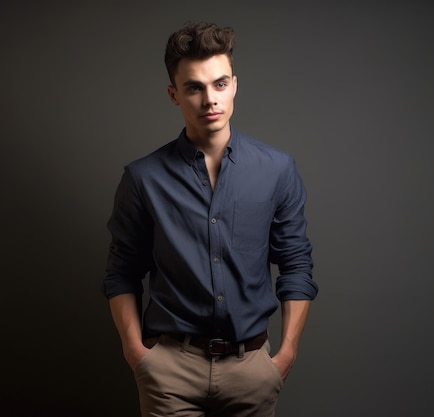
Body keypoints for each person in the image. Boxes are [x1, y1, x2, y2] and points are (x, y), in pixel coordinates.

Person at [103, 21, 318, 416]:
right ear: (174, 94)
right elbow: (122, 272)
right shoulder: (143, 178)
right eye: (194, 88)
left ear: (234, 85)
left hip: (252, 370)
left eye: (219, 84)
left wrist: (285, 355)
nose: (209, 100)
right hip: (170, 372)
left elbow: (296, 264)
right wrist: (137, 354)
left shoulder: (277, 170)